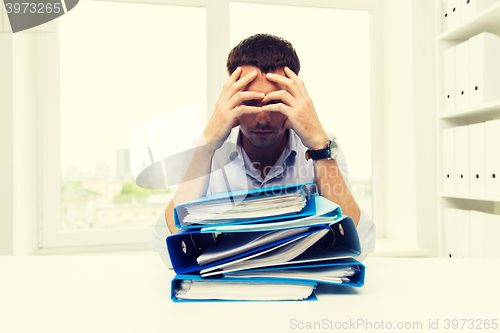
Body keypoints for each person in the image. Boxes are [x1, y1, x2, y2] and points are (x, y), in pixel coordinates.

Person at [152, 33, 375, 266]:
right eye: (249, 102)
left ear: (294, 100)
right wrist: (206, 145)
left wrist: (319, 146)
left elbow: (360, 246)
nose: (263, 118)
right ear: (232, 101)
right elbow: (165, 249)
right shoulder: (206, 151)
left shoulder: (323, 146)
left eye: (274, 102)